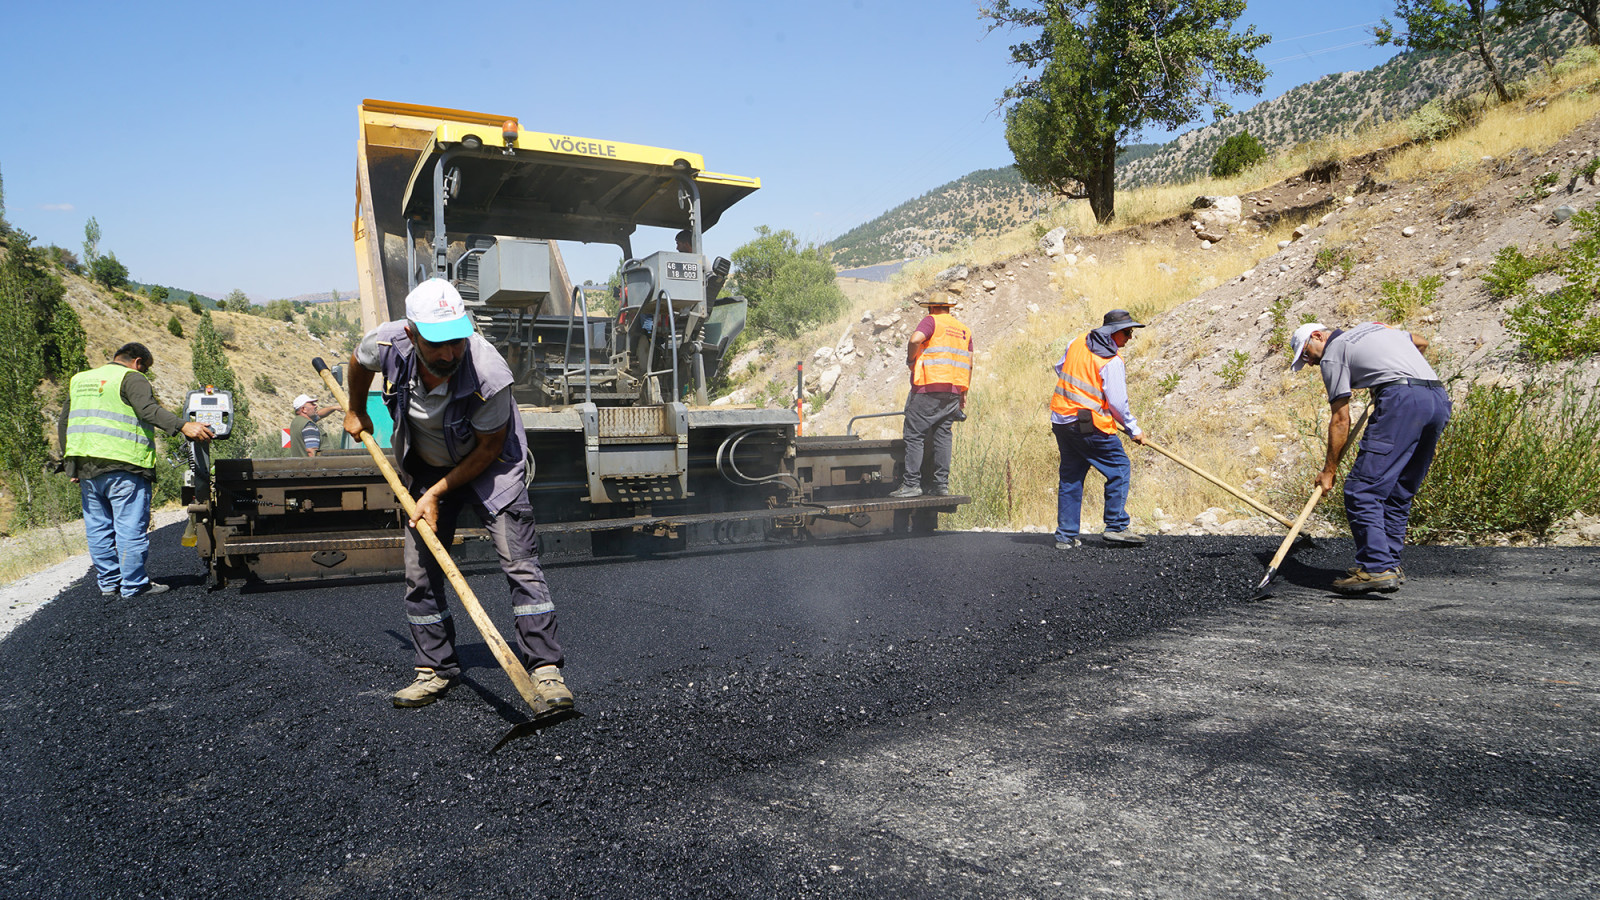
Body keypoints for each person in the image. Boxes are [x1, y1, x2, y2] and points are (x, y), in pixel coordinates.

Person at [344, 277, 574, 710]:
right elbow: (358, 361)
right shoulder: (388, 343)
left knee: (520, 563)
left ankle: (545, 670)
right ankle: (434, 668)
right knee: (420, 571)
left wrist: (436, 493)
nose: (450, 353)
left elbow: (488, 449)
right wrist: (355, 410)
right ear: (412, 334)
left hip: (492, 468)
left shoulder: (488, 372)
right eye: (438, 345)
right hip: (426, 467)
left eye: (457, 341)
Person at [1289, 321, 1451, 593]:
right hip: (1436, 398)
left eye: (1306, 354)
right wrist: (1392, 374)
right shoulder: (1374, 329)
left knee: (1361, 490)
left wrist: (1329, 471)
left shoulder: (1333, 353)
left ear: (1318, 336)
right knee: (1398, 490)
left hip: (1402, 402)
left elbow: (1341, 420)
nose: (1310, 364)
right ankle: (1388, 564)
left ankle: (1376, 567)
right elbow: (1421, 342)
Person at [59, 342, 214, 598]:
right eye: (146, 369)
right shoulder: (132, 377)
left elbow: (65, 420)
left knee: (98, 527)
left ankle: (109, 584)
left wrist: (69, 463)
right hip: (124, 464)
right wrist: (183, 425)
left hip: (86, 465)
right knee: (129, 526)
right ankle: (134, 585)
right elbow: (147, 410)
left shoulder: (80, 379)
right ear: (138, 362)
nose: (145, 374)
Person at [1050, 309, 1147, 549]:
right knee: (1119, 468)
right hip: (1088, 423)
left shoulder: (1077, 341)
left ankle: (1065, 536)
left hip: (1061, 418)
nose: (1130, 337)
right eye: (1127, 332)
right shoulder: (1111, 361)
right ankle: (1116, 526)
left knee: (1071, 476)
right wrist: (1133, 429)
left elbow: (1060, 368)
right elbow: (1117, 402)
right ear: (1113, 332)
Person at [890, 293, 973, 499]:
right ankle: (940, 485)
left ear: (931, 308)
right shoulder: (964, 330)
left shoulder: (931, 321)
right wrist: (964, 393)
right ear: (949, 308)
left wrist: (911, 360)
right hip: (953, 391)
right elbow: (969, 363)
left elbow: (915, 339)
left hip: (928, 387)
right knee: (943, 435)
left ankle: (911, 484)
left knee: (914, 434)